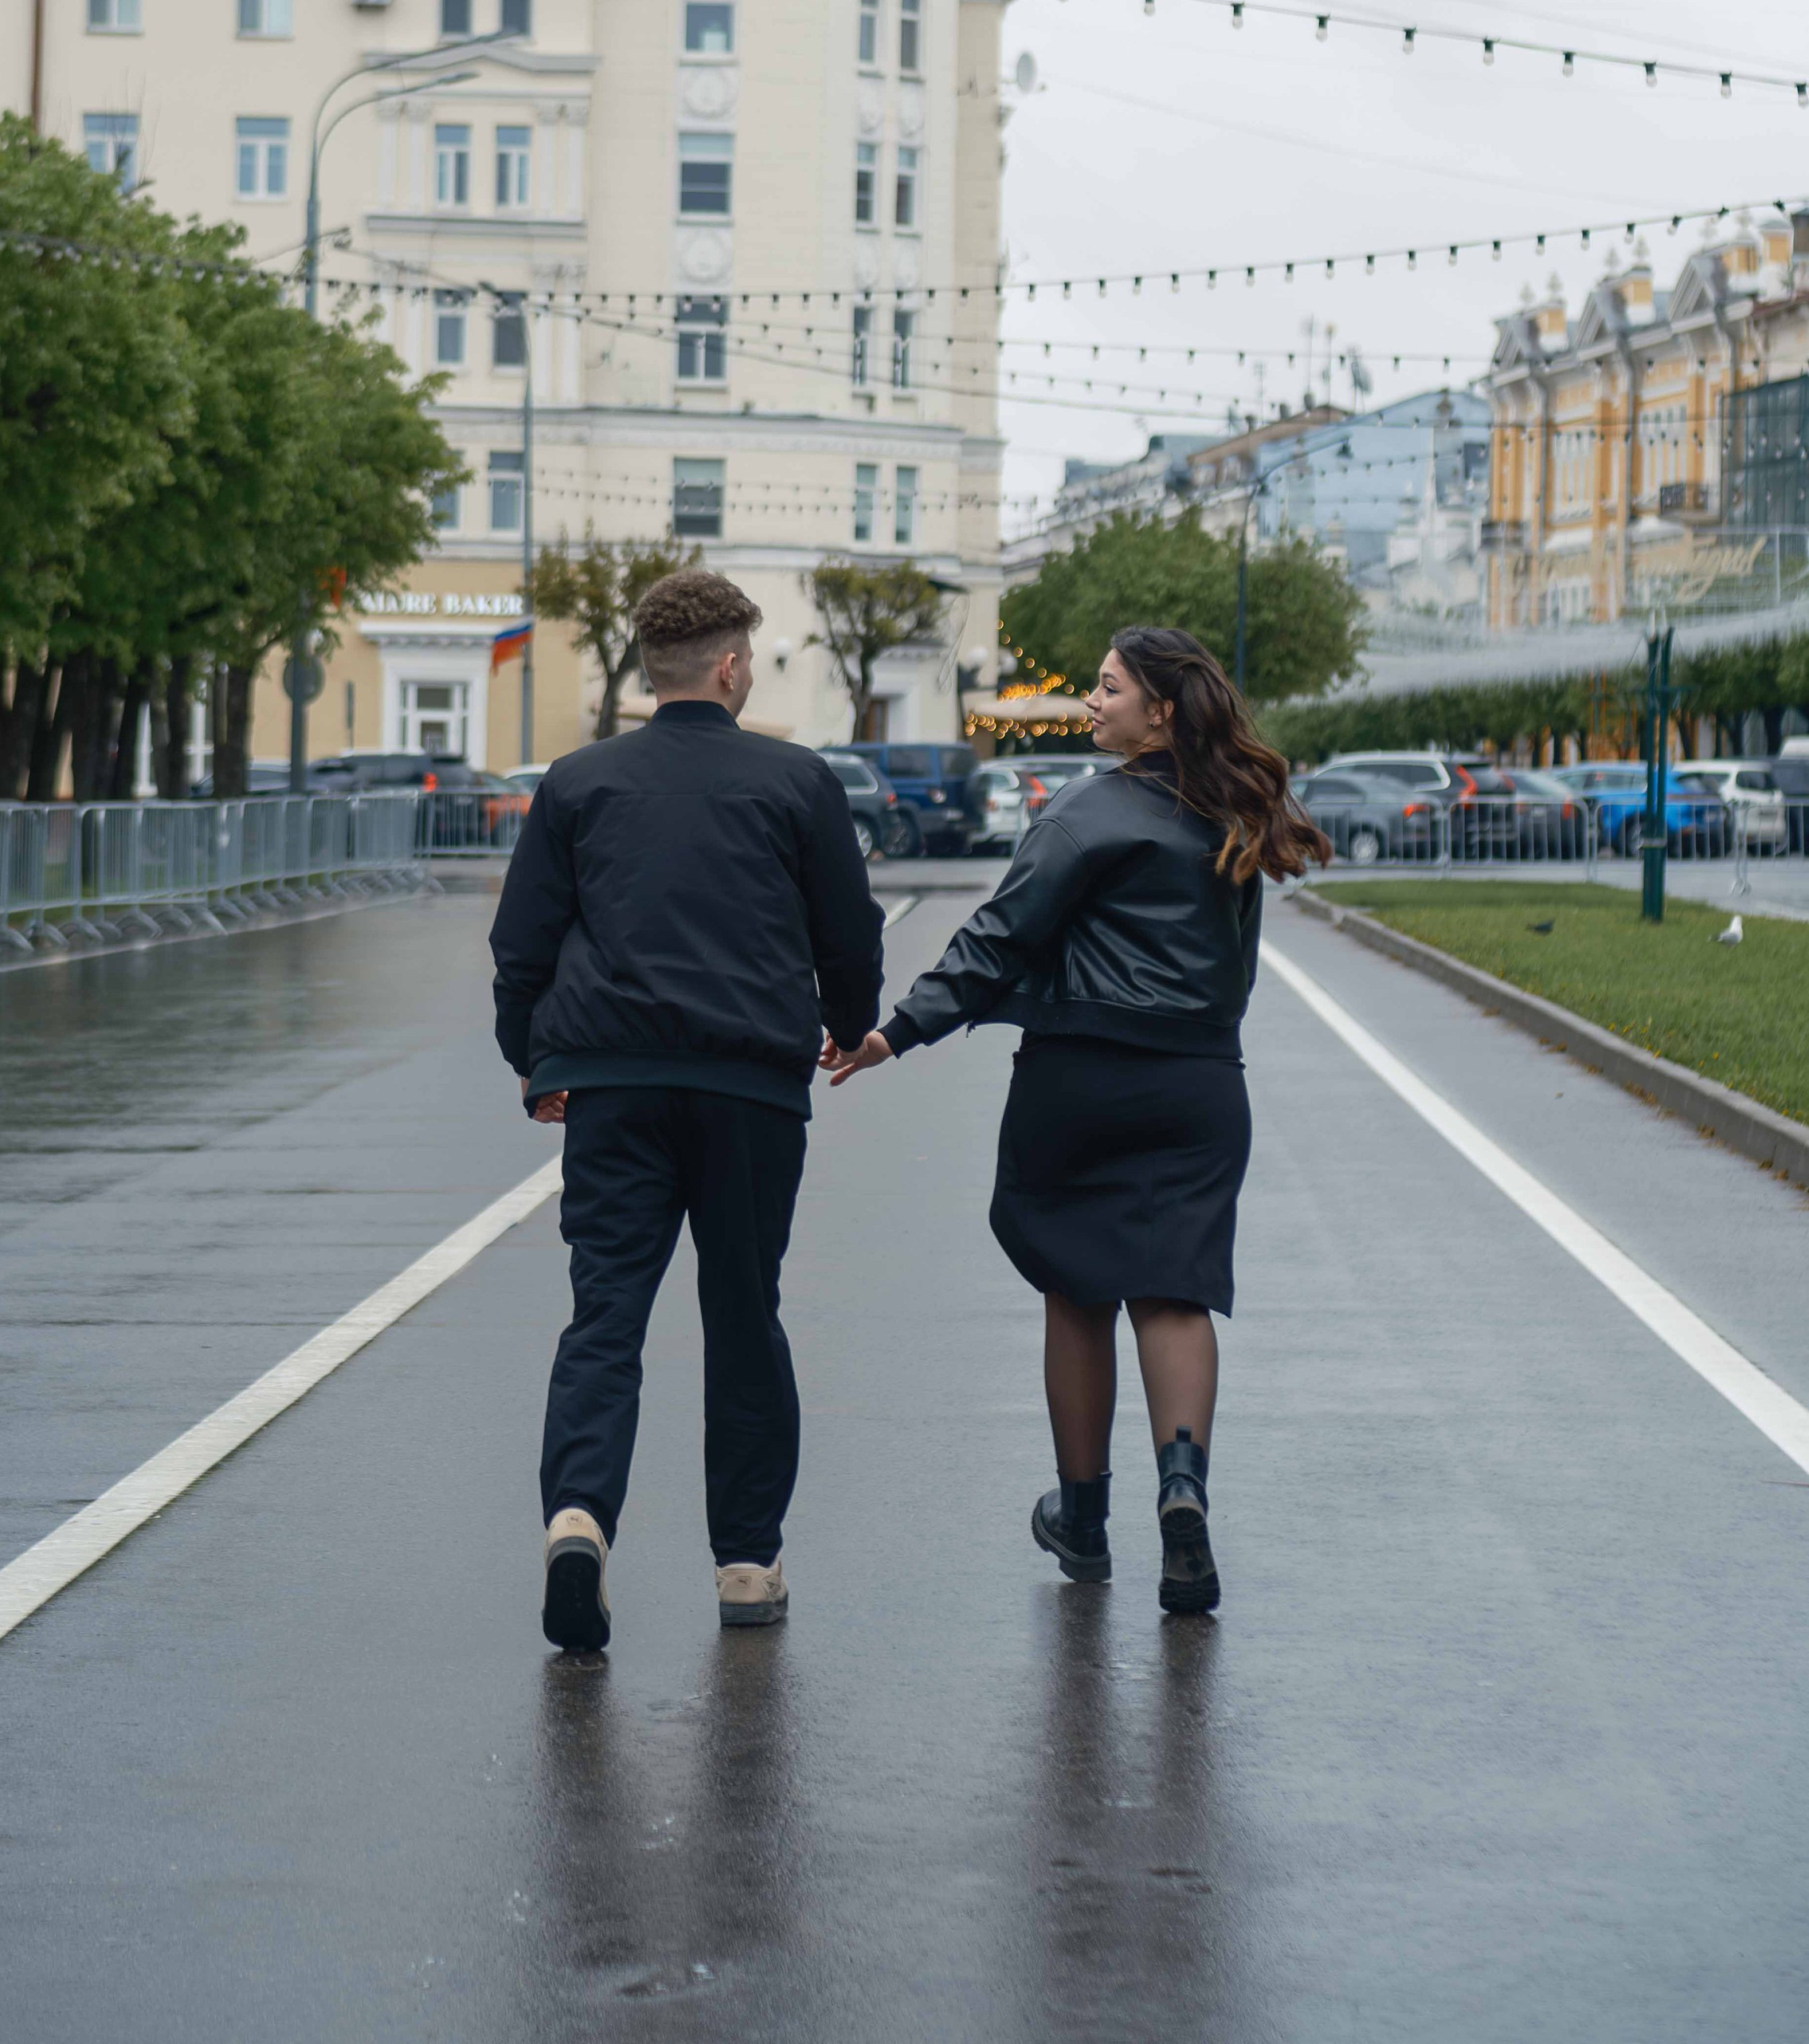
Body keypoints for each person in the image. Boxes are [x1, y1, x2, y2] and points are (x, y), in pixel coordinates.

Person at [824, 625, 1328, 1614]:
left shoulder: (1085, 813)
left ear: (1161, 709)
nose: (1090, 704)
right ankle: (1182, 1491)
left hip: (1079, 1076)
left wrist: (897, 1031)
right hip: (1198, 1083)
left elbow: (998, 936)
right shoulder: (1236, 808)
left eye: (1107, 690)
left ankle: (1086, 1520)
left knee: (1077, 1290)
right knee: (1175, 1292)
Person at [492, 566, 886, 1654]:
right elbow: (848, 934)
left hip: (613, 1084)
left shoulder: (577, 783)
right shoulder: (797, 781)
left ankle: (578, 1518)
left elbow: (521, 944)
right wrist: (851, 1024)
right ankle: (747, 1566)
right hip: (750, 1087)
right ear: (728, 666)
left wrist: (538, 1059)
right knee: (743, 1315)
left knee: (606, 1313)